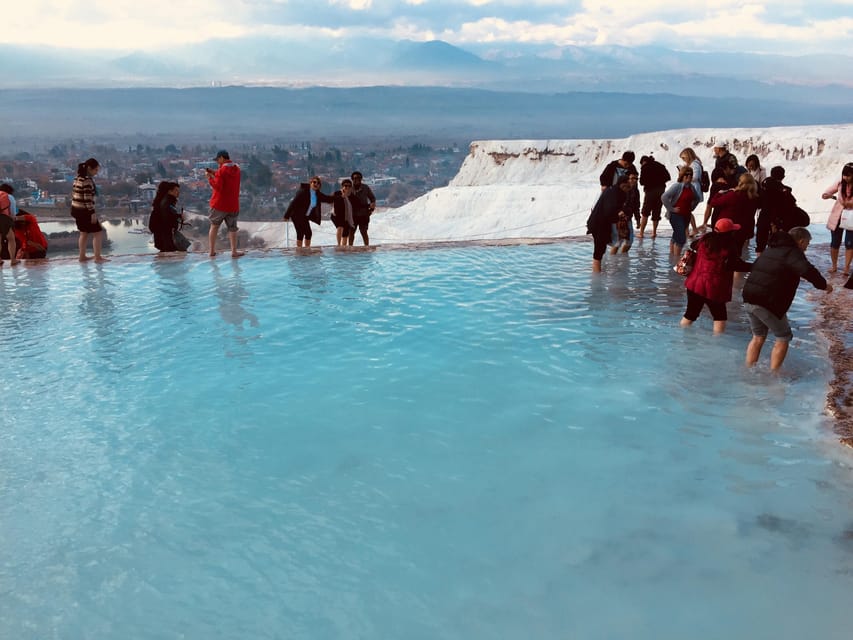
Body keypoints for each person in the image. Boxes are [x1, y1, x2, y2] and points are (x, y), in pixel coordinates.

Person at [743, 227, 832, 371]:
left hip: (749, 296)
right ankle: (774, 375)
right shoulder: (793, 252)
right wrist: (824, 286)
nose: (807, 247)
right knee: (783, 336)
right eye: (807, 244)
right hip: (767, 301)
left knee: (758, 336)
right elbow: (807, 270)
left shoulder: (771, 248)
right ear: (801, 241)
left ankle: (748, 369)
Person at [680, 218, 752, 334]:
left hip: (694, 284)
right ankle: (717, 341)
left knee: (690, 314)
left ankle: (682, 336)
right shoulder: (729, 246)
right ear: (730, 233)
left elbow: (693, 245)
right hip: (714, 288)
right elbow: (735, 265)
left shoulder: (703, 240)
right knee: (719, 317)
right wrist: (755, 266)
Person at [755, 166, 808, 255]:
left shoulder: (763, 188)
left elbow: (758, 204)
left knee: (760, 245)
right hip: (778, 221)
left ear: (771, 174)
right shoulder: (784, 191)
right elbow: (791, 204)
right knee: (776, 245)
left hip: (764, 218)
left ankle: (760, 262)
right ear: (783, 177)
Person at [586, 174, 633, 272]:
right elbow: (609, 210)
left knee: (601, 249)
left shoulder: (615, 191)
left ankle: (599, 272)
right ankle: (596, 276)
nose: (629, 189)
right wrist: (619, 214)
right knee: (598, 252)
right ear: (622, 185)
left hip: (602, 224)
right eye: (628, 187)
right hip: (598, 224)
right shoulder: (613, 193)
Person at [707, 173, 760, 254]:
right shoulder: (755, 198)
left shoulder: (733, 195)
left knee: (723, 252)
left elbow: (713, 203)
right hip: (744, 229)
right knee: (738, 251)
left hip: (728, 229)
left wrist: (719, 193)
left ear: (740, 183)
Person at [205, 150, 243, 258]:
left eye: (218, 160)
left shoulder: (221, 171)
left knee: (214, 226)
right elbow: (225, 177)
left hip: (219, 204)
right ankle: (234, 251)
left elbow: (218, 186)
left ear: (222, 158)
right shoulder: (237, 169)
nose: (218, 162)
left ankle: (212, 251)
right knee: (232, 228)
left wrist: (209, 178)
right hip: (233, 204)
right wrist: (214, 173)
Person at [70, 158, 106, 262]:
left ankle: (82, 256)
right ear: (89, 168)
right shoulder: (87, 181)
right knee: (98, 232)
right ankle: (98, 257)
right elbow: (87, 199)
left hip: (75, 209)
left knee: (83, 233)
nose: (96, 172)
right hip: (84, 211)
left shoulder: (77, 178)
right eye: (96, 170)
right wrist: (92, 213)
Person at [661, 165, 701, 257]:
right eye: (686, 175)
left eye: (691, 175)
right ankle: (676, 259)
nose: (689, 177)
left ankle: (671, 257)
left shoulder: (691, 187)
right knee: (681, 238)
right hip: (676, 215)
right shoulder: (677, 186)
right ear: (682, 176)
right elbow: (664, 197)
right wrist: (671, 209)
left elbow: (697, 198)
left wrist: (692, 207)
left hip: (686, 215)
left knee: (676, 235)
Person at [283, 176, 333, 248]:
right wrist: (286, 215)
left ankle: (307, 249)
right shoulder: (303, 191)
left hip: (304, 216)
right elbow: (293, 203)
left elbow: (328, 199)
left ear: (319, 186)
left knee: (308, 233)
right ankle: (299, 250)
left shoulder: (317, 194)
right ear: (310, 183)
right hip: (296, 215)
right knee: (300, 233)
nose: (316, 184)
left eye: (318, 183)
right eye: (314, 182)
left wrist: (339, 196)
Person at [822, 162, 853, 275]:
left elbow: (848, 203)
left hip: (851, 217)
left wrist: (837, 199)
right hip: (838, 215)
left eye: (848, 175)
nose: (845, 177)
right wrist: (826, 194)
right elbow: (829, 190)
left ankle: (846, 267)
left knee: (850, 243)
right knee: (835, 242)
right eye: (844, 175)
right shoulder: (840, 182)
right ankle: (834, 265)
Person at [638, 155, 671, 238]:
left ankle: (641, 233)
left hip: (650, 191)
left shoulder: (645, 167)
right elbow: (668, 177)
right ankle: (654, 232)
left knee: (645, 212)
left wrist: (650, 181)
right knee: (657, 211)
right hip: (661, 191)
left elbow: (641, 182)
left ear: (643, 162)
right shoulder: (660, 165)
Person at [148, 181, 186, 252]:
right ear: (169, 191)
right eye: (176, 190)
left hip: (161, 231)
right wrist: (178, 216)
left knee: (165, 250)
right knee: (169, 250)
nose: (178, 192)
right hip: (164, 232)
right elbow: (167, 217)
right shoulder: (167, 202)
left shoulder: (162, 201)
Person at [611, 170, 638, 254]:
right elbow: (614, 204)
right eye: (632, 178)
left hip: (628, 218)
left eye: (636, 178)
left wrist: (638, 219)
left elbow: (636, 206)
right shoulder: (620, 190)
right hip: (619, 219)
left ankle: (622, 257)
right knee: (618, 242)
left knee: (629, 241)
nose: (634, 180)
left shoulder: (635, 191)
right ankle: (613, 259)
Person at [349, 171, 376, 246]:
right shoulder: (349, 188)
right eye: (354, 178)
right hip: (352, 215)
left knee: (364, 232)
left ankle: (366, 247)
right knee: (351, 232)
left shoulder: (365, 187)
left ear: (361, 179)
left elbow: (372, 198)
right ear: (352, 179)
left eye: (358, 178)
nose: (356, 179)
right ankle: (350, 248)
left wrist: (371, 210)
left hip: (364, 214)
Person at [331, 178, 356, 247]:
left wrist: (369, 206)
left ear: (351, 187)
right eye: (345, 186)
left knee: (345, 233)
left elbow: (358, 204)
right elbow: (333, 200)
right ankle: (338, 245)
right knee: (340, 227)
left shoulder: (352, 196)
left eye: (349, 186)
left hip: (346, 216)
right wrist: (342, 197)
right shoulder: (337, 193)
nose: (347, 187)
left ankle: (343, 247)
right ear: (342, 186)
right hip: (336, 214)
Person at [0, 184, 19, 265]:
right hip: (4, 218)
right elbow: (13, 213)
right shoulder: (9, 197)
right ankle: (13, 260)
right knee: (11, 239)